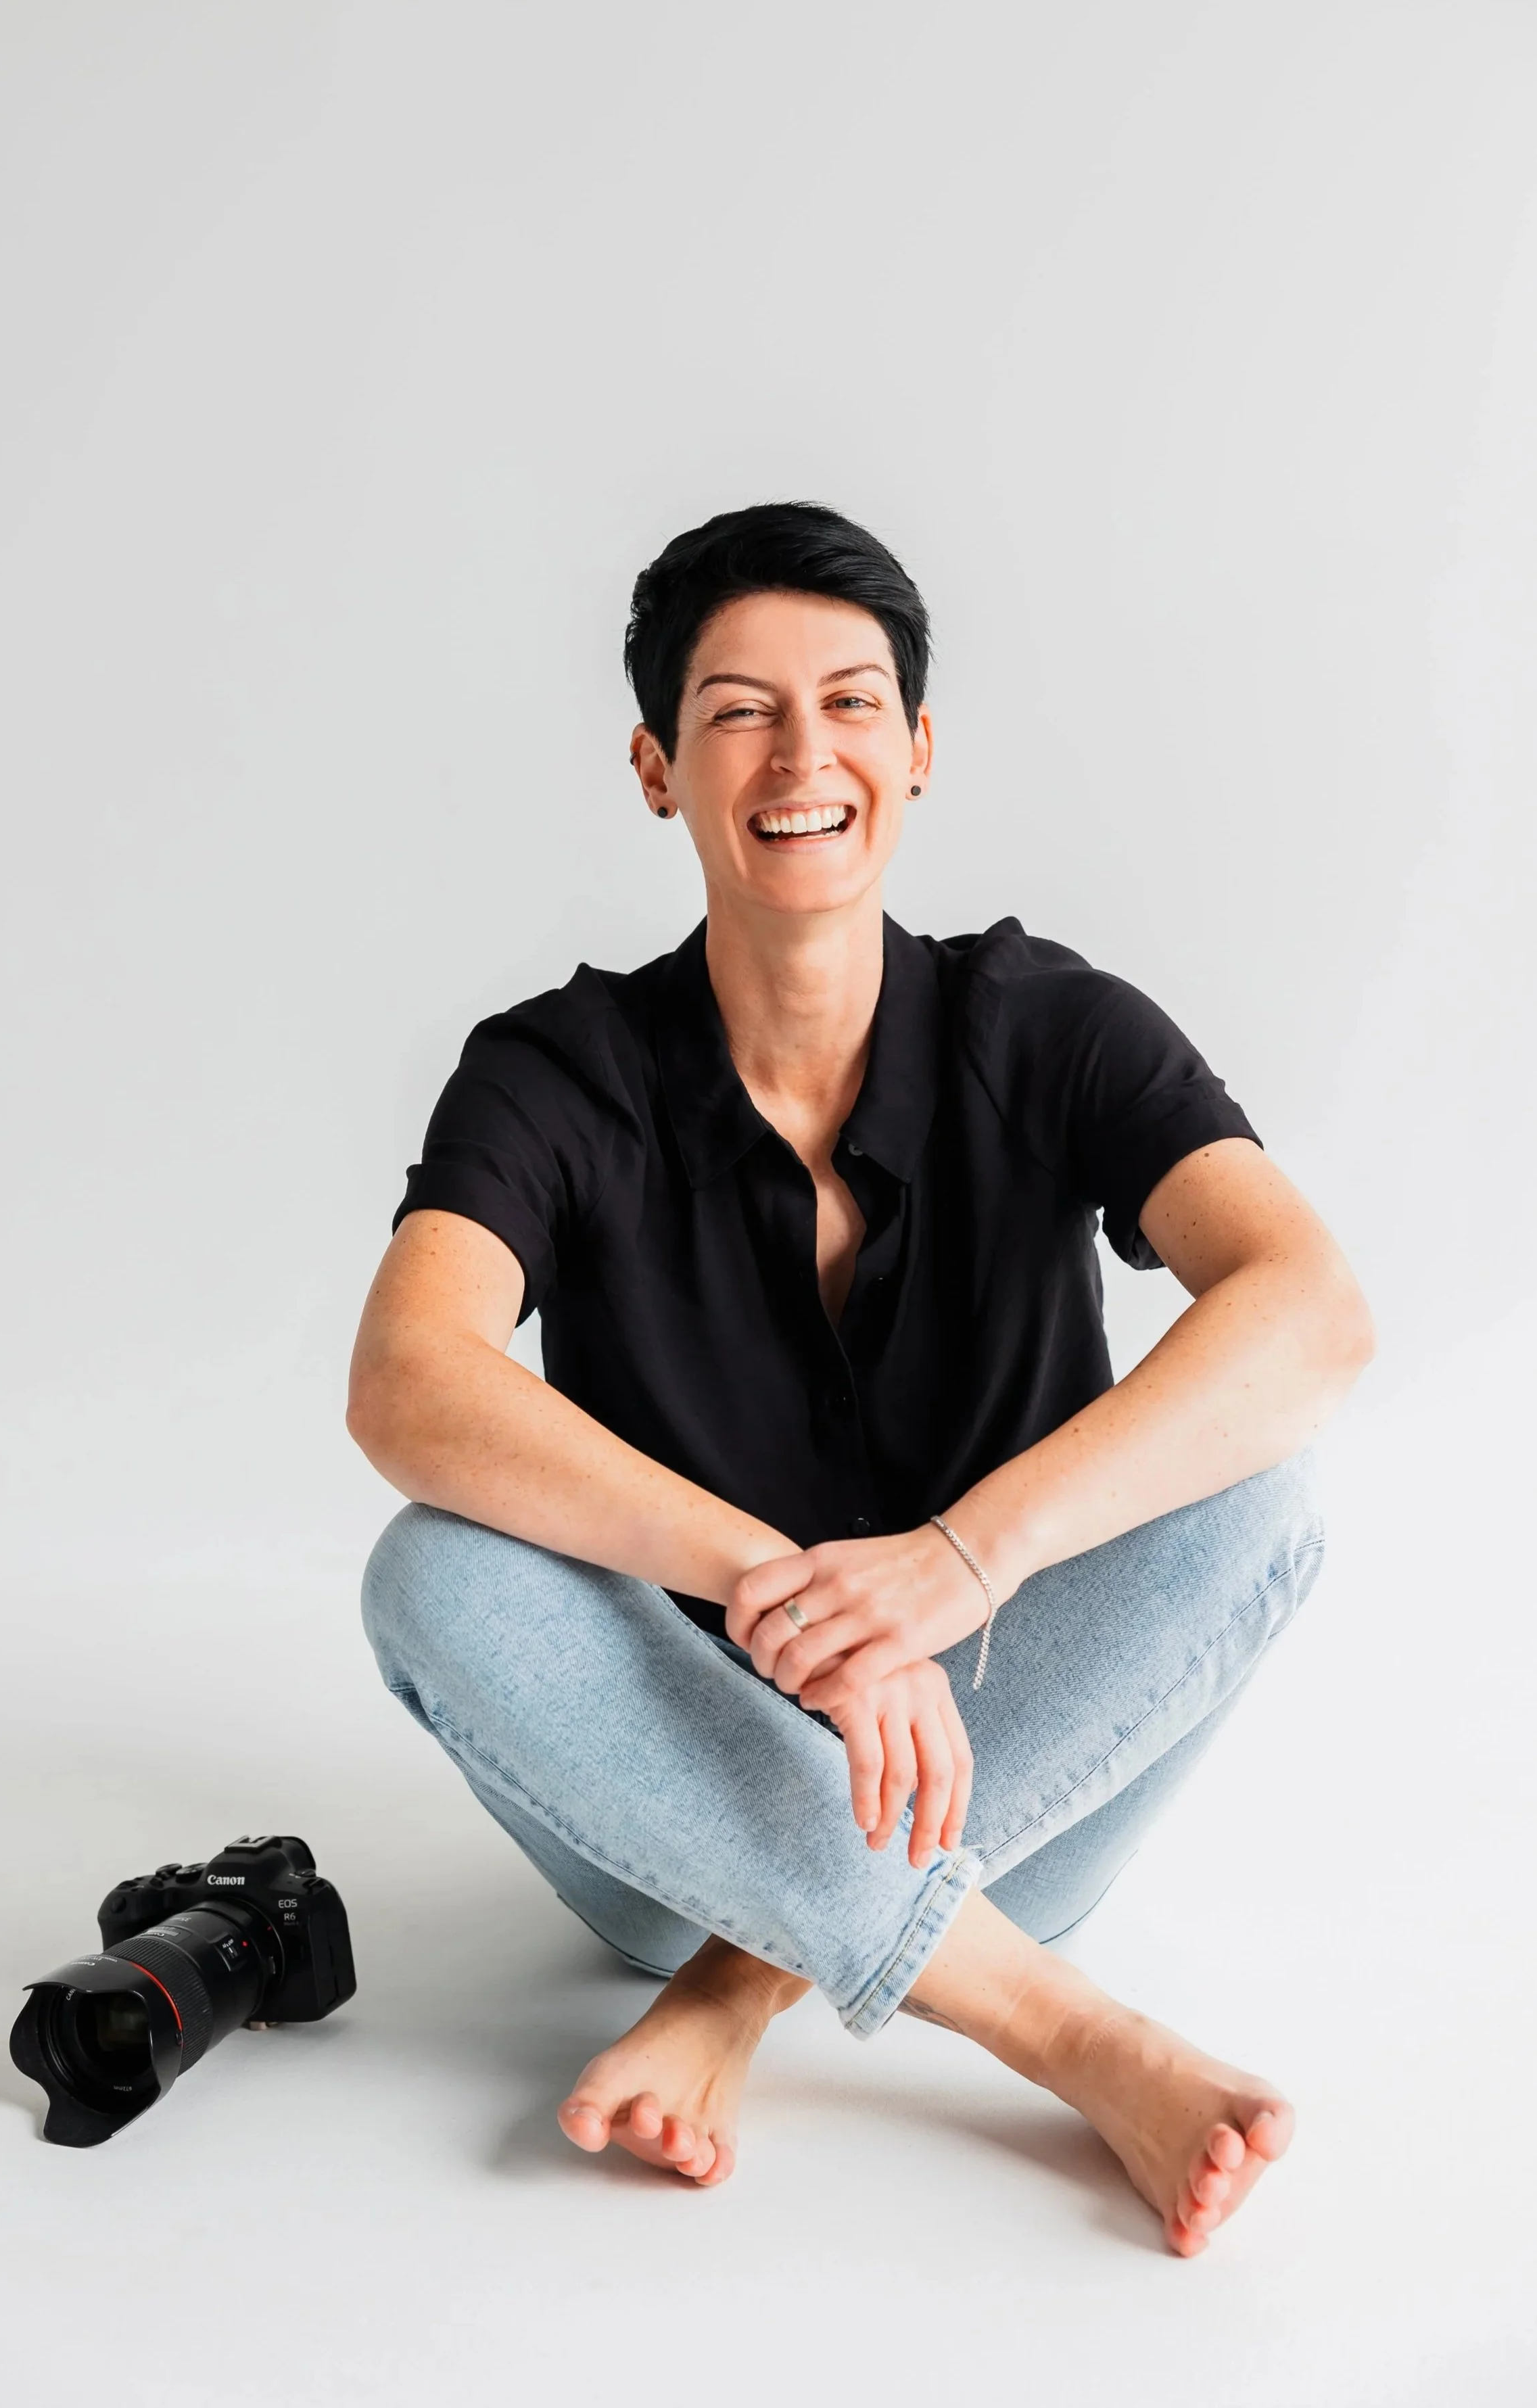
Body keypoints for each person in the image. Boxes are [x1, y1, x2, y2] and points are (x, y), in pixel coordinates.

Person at [348, 502, 1373, 2255]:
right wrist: (776, 1590)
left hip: (1007, 1783)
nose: (800, 754)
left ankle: (734, 1990)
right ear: (657, 768)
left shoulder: (1053, 1024)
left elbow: (1310, 1309)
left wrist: (963, 1563)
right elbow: (407, 1380)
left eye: (848, 703)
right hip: (659, 1802)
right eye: (738, 711)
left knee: (1258, 1502)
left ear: (916, 749)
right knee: (429, 1573)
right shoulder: (553, 1070)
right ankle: (1065, 2035)